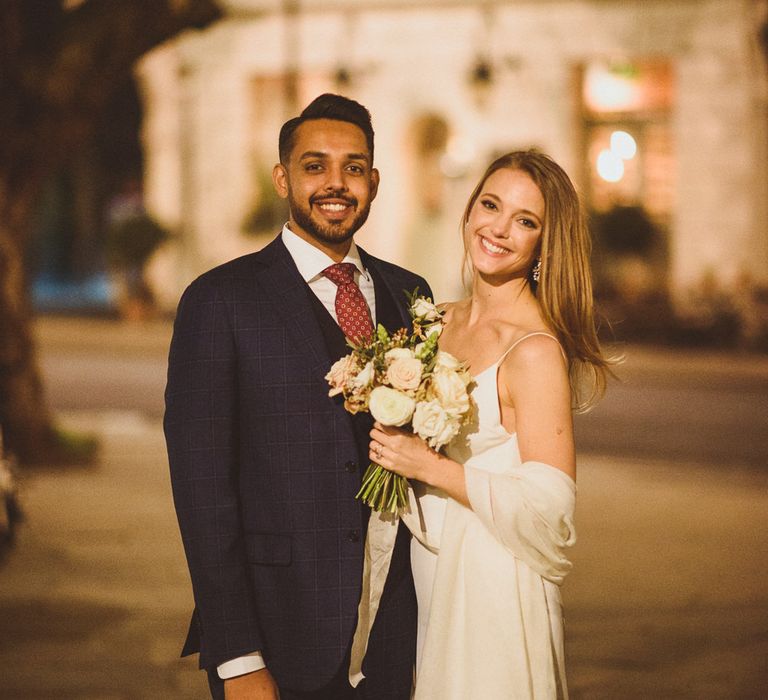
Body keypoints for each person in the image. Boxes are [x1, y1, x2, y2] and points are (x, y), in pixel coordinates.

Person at [164, 94, 430, 700]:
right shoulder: (219, 301)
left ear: (375, 181)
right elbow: (203, 493)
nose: (336, 184)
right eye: (316, 166)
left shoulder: (411, 294)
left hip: (394, 640)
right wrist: (236, 658)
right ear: (283, 178)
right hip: (278, 639)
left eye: (354, 167)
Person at [368, 150, 613, 699]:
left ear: (543, 246)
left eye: (525, 221)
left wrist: (431, 468)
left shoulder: (532, 351)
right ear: (470, 210)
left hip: (494, 585)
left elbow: (552, 509)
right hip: (429, 574)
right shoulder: (434, 320)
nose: (498, 229)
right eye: (491, 205)